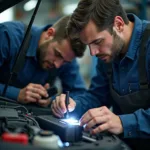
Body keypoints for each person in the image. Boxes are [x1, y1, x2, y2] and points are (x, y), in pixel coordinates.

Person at [51, 0, 150, 149]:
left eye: (97, 42)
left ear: (118, 24)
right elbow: (98, 96)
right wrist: (73, 104)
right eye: (88, 45)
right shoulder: (109, 54)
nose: (93, 52)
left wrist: (123, 123)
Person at [0, 15, 86, 107]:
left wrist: (54, 100)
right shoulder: (8, 36)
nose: (57, 65)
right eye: (57, 54)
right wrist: (16, 94)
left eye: (65, 61)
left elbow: (79, 95)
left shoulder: (67, 55)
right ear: (49, 34)